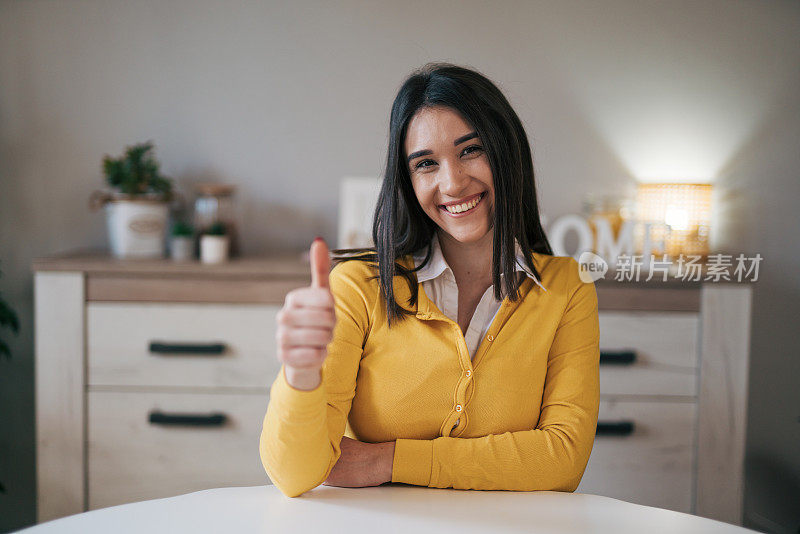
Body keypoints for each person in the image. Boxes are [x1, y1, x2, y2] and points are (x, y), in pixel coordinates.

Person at [259, 62, 600, 498]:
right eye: (426, 164)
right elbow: (295, 475)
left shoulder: (566, 288)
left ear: (506, 150)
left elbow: (563, 459)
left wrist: (389, 460)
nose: (453, 182)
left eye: (471, 150)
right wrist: (300, 375)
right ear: (408, 180)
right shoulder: (358, 287)